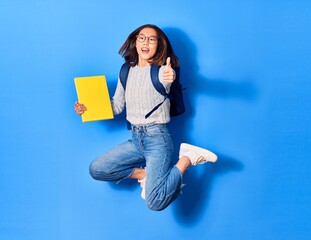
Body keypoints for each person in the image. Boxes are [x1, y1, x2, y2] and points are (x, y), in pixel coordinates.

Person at [74, 24, 217, 211]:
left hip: (158, 140)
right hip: (136, 139)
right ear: (135, 41)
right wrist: (88, 108)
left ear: (159, 45)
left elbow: (167, 79)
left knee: (155, 203)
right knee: (97, 169)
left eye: (152, 39)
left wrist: (169, 75)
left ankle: (187, 158)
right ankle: (143, 174)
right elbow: (117, 106)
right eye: (142, 37)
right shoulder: (126, 70)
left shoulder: (162, 72)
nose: (146, 42)